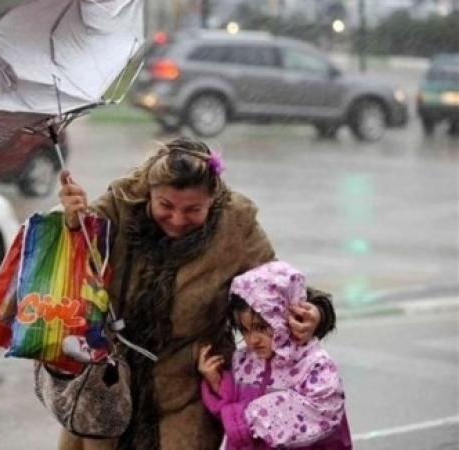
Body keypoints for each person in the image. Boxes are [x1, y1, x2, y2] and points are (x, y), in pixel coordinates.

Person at [55, 136, 336, 450]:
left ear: (212, 200)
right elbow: (70, 265)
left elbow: (278, 287)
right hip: (107, 384)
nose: (177, 220)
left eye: (193, 210)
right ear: (148, 191)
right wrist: (72, 221)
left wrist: (315, 312)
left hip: (192, 386)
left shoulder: (235, 224)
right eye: (165, 206)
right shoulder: (120, 205)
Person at [197, 260, 351, 449]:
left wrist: (250, 419)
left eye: (262, 327)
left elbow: (323, 411)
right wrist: (217, 383)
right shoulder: (244, 361)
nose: (253, 339)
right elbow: (233, 414)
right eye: (244, 330)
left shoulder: (313, 364)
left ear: (287, 317)